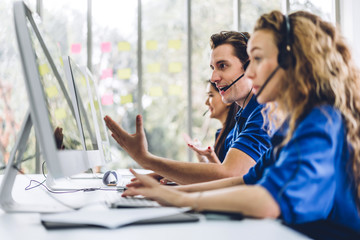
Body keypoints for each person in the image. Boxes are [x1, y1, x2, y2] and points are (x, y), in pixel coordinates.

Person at [121, 11, 360, 238]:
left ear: (292, 62)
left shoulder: (322, 122)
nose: (250, 72)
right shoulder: (295, 125)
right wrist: (165, 194)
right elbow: (246, 180)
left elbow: (268, 200)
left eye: (257, 59)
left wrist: (180, 199)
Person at [104, 31, 271, 185]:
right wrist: (167, 175)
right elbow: (224, 179)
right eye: (213, 68)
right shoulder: (241, 121)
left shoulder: (265, 111)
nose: (213, 78)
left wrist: (145, 158)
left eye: (223, 66)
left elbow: (229, 175)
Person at [185, 80, 240, 164]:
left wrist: (210, 156)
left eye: (211, 95)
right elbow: (213, 171)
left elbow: (225, 174)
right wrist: (202, 156)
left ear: (226, 97)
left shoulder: (233, 136)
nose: (206, 102)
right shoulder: (221, 134)